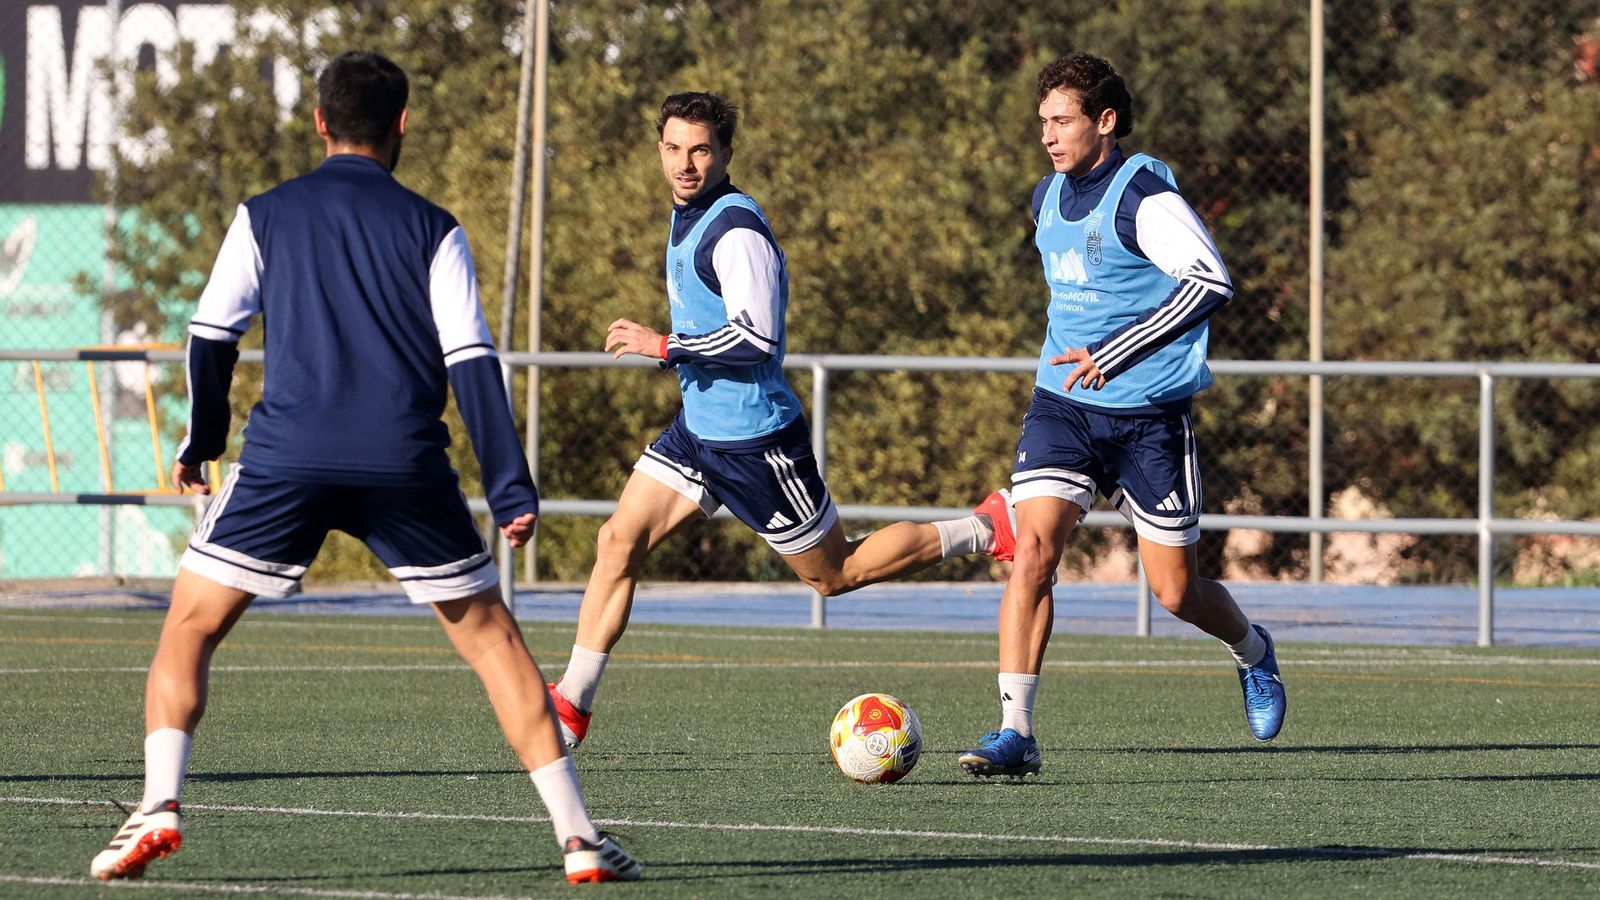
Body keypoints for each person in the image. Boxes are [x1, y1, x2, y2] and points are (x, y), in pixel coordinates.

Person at [88, 51, 640, 885]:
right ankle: (579, 838)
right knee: (495, 645)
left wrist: (201, 441)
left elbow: (209, 337)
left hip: (287, 458)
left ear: (319, 122)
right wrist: (510, 486)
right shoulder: (433, 226)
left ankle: (159, 804)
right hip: (403, 461)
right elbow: (472, 360)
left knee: (190, 628)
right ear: (403, 124)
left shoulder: (264, 214)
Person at [545, 91, 1005, 748]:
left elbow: (756, 339)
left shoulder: (735, 229)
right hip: (699, 434)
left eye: (700, 149)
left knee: (834, 574)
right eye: (673, 148)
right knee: (617, 542)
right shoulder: (685, 215)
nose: (685, 162)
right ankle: (572, 704)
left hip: (758, 443)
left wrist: (665, 347)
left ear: (726, 154)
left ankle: (983, 528)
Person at [957, 53, 1287, 778]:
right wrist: (1087, 358)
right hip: (1063, 407)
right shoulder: (1046, 196)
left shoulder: (1143, 196)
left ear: (1104, 122)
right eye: (1042, 121)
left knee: (1175, 592)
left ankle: (1253, 651)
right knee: (1034, 553)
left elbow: (1212, 281)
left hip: (1148, 418)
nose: (1048, 135)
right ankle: (1016, 730)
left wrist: (1118, 349)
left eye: (1063, 120)